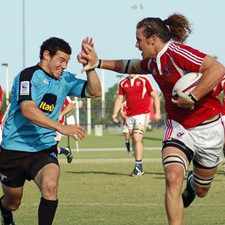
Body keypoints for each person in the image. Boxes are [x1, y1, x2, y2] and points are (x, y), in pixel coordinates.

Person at [78, 14, 225, 225]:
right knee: (173, 177)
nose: (136, 44)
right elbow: (133, 66)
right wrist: (98, 62)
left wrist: (193, 95)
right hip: (179, 127)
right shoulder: (155, 62)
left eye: (139, 39)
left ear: (153, 39)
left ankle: (193, 184)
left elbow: (218, 69)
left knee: (202, 189)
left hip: (209, 128)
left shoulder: (177, 53)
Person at [0, 37, 101, 225]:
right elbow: (27, 109)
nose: (64, 66)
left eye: (67, 62)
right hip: (14, 148)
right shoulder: (28, 76)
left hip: (44, 148)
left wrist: (91, 68)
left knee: (50, 186)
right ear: (47, 55)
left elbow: (95, 92)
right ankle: (5, 212)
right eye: (61, 60)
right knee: (13, 202)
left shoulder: (65, 79)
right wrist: (60, 126)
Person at [112, 74, 161, 176]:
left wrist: (157, 112)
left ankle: (138, 167)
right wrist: (114, 114)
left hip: (142, 114)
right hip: (129, 116)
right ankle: (139, 163)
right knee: (133, 139)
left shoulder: (144, 80)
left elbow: (155, 96)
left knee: (137, 137)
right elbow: (120, 99)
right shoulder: (123, 83)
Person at [55, 96, 76, 163]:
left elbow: (71, 105)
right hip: (44, 125)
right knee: (48, 149)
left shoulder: (62, 93)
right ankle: (65, 151)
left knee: (50, 149)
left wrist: (61, 114)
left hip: (57, 126)